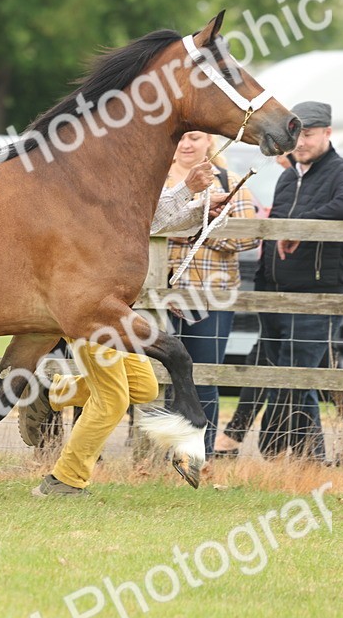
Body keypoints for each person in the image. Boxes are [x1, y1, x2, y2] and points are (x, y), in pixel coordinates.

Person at [18, 159, 228, 495]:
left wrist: (204, 211)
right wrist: (188, 189)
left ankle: (51, 390)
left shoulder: (126, 182)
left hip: (115, 311)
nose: (170, 160)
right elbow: (134, 217)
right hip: (88, 307)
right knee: (112, 399)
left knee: (143, 388)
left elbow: (153, 222)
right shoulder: (100, 182)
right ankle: (65, 480)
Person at [213, 101, 343, 465]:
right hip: (275, 290)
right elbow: (274, 225)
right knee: (286, 365)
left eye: (310, 134)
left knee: (295, 371)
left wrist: (300, 229)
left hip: (318, 291)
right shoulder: (289, 177)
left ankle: (294, 451)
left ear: (328, 134)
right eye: (297, 134)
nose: (301, 142)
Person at [162, 131, 259, 457]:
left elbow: (249, 237)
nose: (186, 144)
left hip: (211, 296)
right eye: (181, 138)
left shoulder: (229, 181)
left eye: (194, 137)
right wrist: (189, 222)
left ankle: (199, 454)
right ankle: (163, 454)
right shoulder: (159, 180)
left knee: (203, 376)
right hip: (161, 294)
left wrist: (203, 231)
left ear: (208, 142)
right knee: (161, 377)